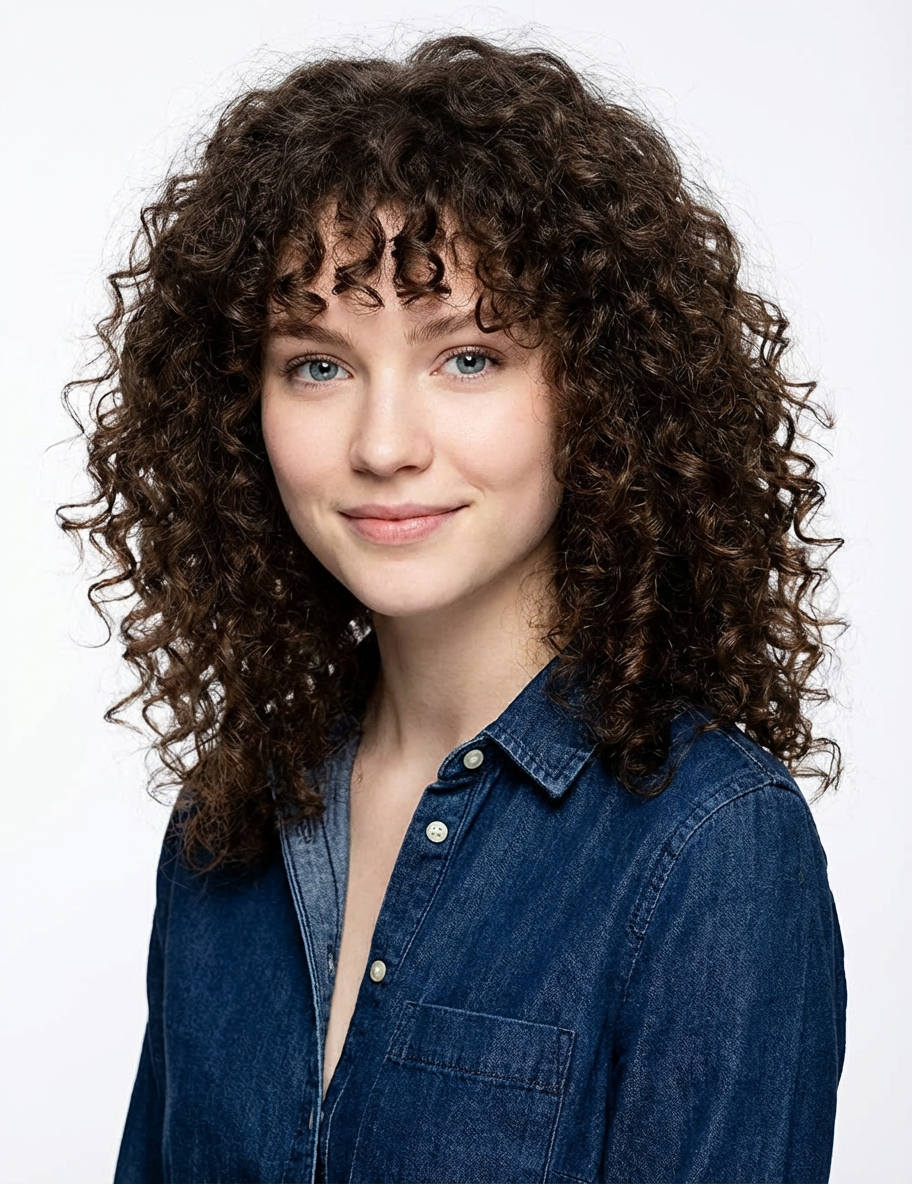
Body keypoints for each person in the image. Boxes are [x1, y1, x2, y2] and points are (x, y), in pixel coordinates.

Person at [61, 34, 847, 1184]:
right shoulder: (229, 826)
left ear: (599, 391)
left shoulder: (710, 849)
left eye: (469, 357)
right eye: (317, 364)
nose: (385, 445)